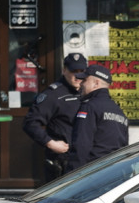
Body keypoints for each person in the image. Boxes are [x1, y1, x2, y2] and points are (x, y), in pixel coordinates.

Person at [22, 53, 87, 182]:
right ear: (64, 70)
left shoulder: (87, 92)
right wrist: (50, 143)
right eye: (73, 71)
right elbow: (30, 123)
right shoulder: (53, 95)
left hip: (84, 160)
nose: (78, 76)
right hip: (62, 162)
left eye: (81, 71)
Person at [65, 64, 129, 173]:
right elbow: (124, 147)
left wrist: (71, 176)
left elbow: (81, 146)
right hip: (115, 172)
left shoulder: (89, 107)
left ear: (96, 83)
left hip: (93, 173)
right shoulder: (119, 111)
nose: (80, 83)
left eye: (84, 80)